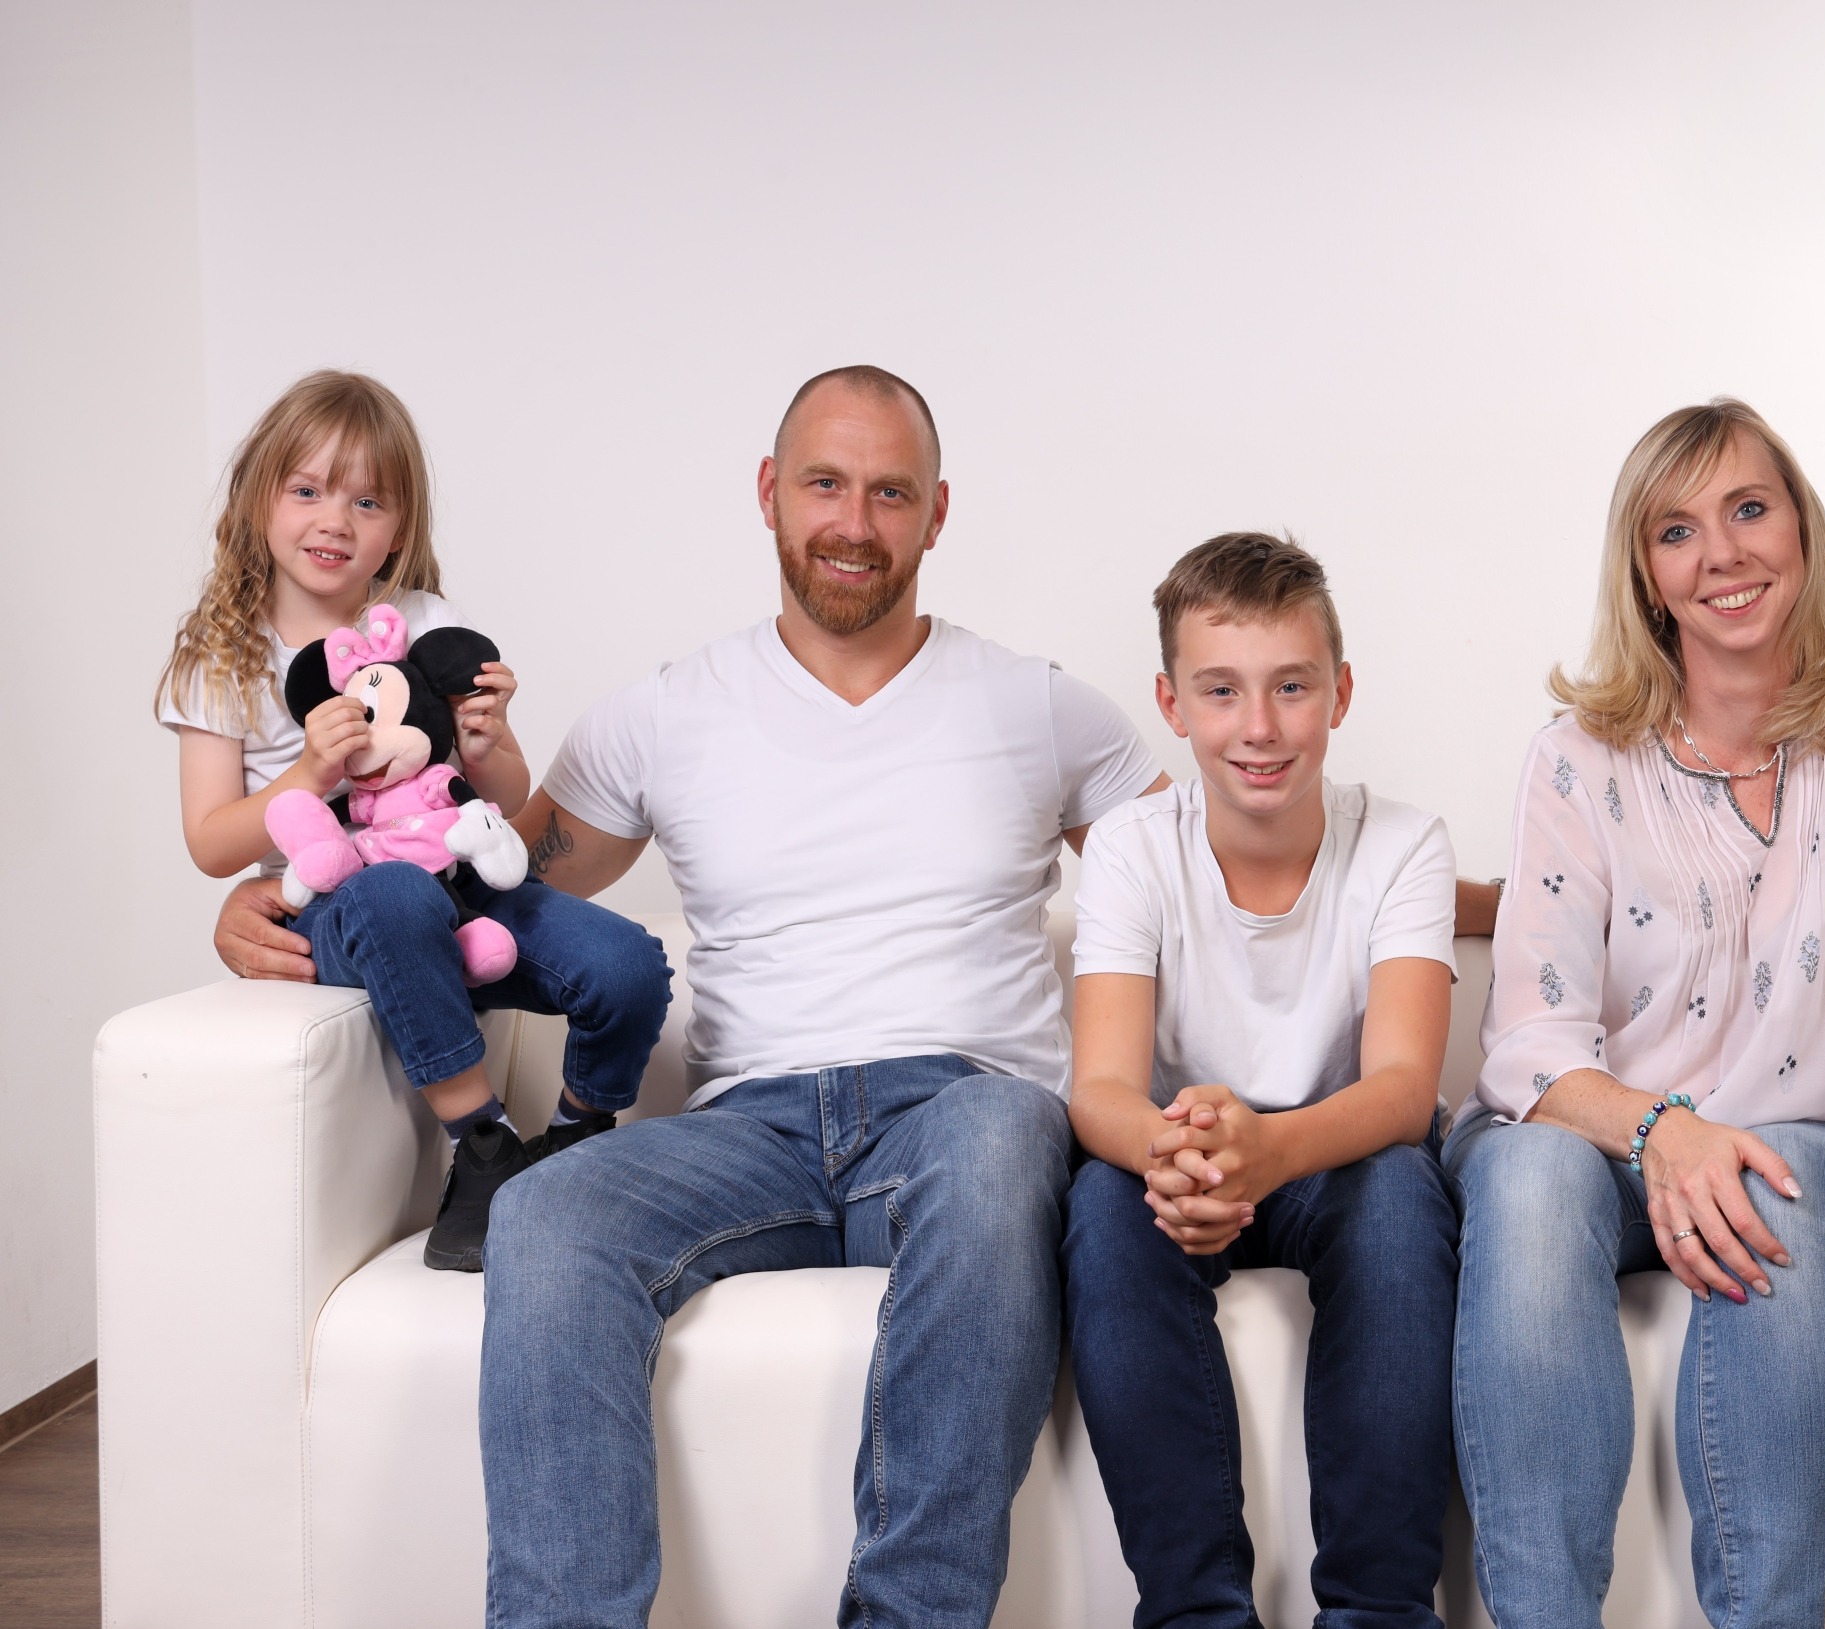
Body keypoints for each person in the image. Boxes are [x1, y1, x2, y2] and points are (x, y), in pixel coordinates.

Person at [473, 365, 1161, 1627]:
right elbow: (494, 898)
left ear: (936, 513)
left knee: (1004, 1131)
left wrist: (1477, 898)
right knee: (546, 1215)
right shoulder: (663, 713)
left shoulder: (1039, 706)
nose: (853, 522)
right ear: (768, 494)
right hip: (750, 1134)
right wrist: (291, 911)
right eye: (824, 484)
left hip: (961, 1114)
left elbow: (1226, 874)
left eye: (890, 492)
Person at [1446, 400, 1825, 1629]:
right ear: (1643, 573)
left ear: (1800, 526)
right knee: (1523, 1175)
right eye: (1675, 531)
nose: (1721, 554)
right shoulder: (1578, 756)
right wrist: (1664, 1133)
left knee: (1765, 1185)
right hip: (1616, 1144)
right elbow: (1529, 1044)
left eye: (1748, 509)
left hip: (1824, 1148)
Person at [157, 370, 670, 1270]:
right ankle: (483, 1148)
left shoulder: (426, 622)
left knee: (627, 964)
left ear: (399, 527)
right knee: (394, 893)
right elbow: (210, 841)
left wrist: (487, 738)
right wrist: (310, 773)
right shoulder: (222, 652)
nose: (335, 520)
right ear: (257, 497)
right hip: (344, 903)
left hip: (460, 884)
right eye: (307, 491)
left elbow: (504, 792)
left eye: (367, 501)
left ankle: (574, 1140)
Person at [1064, 533, 1458, 1629]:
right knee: (1103, 1206)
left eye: (1291, 687)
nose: (1260, 727)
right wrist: (1174, 1154)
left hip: (1334, 1151)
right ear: (1171, 703)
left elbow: (1402, 1088)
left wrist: (1268, 1150)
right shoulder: (1132, 847)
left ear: (1339, 693)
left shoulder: (1404, 843)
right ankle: (1196, 1613)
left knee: (1400, 1196)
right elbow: (1100, 1086)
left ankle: (1379, 1611)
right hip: (1186, 1151)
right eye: (1221, 691)